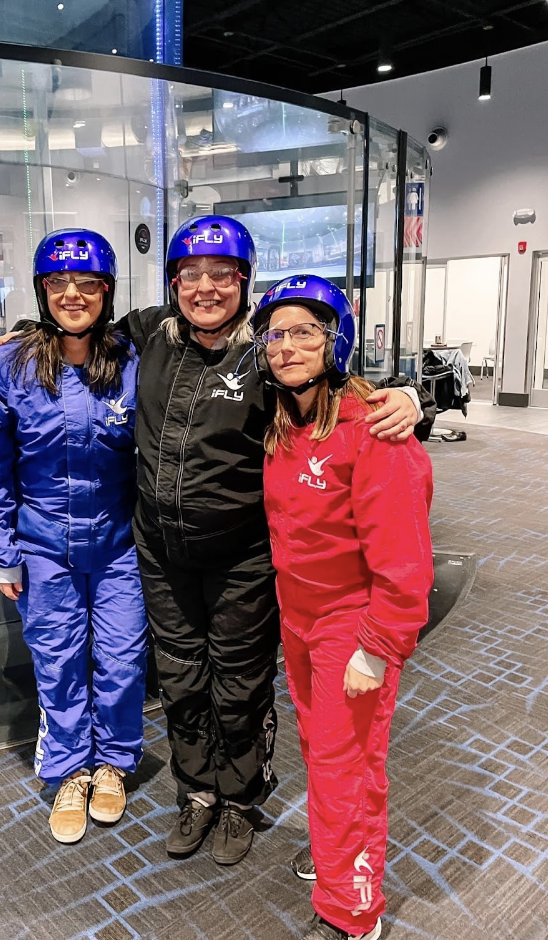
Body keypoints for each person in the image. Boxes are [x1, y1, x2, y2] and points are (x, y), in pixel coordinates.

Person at [0, 215, 435, 867]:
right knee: (183, 679)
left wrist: (410, 400)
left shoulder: (265, 351)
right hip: (161, 555)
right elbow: (77, 326)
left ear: (244, 281)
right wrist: (25, 333)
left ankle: (240, 798)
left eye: (222, 275)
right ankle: (197, 790)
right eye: (190, 275)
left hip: (242, 558)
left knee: (239, 683)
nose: (205, 288)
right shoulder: (146, 337)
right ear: (173, 282)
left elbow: (328, 385)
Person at [257, 275, 434, 940]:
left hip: (351, 625)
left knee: (346, 768)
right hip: (297, 618)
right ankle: (338, 859)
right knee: (324, 754)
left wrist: (376, 646)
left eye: (305, 331)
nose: (287, 346)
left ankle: (353, 911)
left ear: (337, 341)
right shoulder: (285, 417)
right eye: (277, 334)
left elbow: (406, 562)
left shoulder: (374, 432)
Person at [0, 229, 148, 845]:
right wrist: (0, 553)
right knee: (59, 660)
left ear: (106, 292)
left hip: (119, 546)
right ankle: (70, 771)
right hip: (42, 548)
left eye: (87, 284)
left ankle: (114, 764)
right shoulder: (6, 367)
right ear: (43, 291)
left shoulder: (131, 364)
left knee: (121, 662)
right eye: (59, 283)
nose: (73, 294)